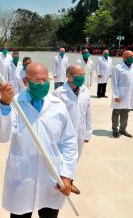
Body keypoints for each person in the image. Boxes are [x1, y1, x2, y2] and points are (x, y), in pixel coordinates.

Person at [0, 62, 78, 218]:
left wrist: (67, 175)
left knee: (49, 214)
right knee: (20, 214)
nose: (43, 84)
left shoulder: (58, 106)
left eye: (46, 80)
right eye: (38, 81)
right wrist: (5, 104)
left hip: (51, 177)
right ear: (25, 82)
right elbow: (2, 136)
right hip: (23, 175)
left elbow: (69, 143)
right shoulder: (15, 104)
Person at [53, 64, 92, 195]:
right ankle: (59, 180)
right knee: (62, 157)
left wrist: (88, 133)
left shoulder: (85, 91)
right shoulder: (58, 93)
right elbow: (53, 116)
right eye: (78, 75)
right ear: (69, 76)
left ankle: (70, 181)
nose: (81, 78)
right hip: (63, 134)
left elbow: (88, 112)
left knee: (76, 158)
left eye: (83, 75)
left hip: (80, 131)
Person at [111, 50, 133, 138]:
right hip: (120, 95)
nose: (132, 57)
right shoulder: (117, 68)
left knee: (125, 113)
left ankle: (123, 129)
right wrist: (116, 96)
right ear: (124, 57)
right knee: (116, 112)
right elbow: (114, 83)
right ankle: (115, 130)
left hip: (130, 95)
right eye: (129, 56)